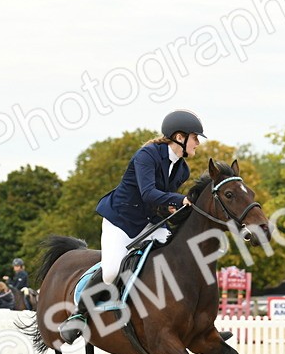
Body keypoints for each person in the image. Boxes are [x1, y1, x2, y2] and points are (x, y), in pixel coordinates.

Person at [60, 109, 204, 342]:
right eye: (195, 137)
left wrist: (174, 208)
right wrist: (179, 200)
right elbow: (148, 193)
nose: (197, 143)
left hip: (150, 222)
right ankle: (80, 315)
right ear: (180, 137)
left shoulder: (182, 169)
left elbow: (163, 199)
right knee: (111, 272)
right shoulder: (147, 155)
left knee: (178, 256)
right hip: (122, 220)